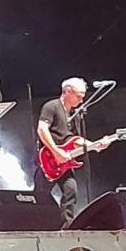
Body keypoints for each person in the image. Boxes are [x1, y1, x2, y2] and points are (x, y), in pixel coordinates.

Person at [37, 77, 87, 229]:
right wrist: (56, 151)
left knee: (71, 190)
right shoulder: (51, 106)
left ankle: (67, 228)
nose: (82, 100)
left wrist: (94, 145)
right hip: (48, 160)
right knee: (41, 196)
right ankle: (37, 226)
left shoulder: (75, 114)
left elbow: (75, 139)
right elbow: (42, 130)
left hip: (65, 163)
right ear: (68, 91)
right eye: (79, 96)